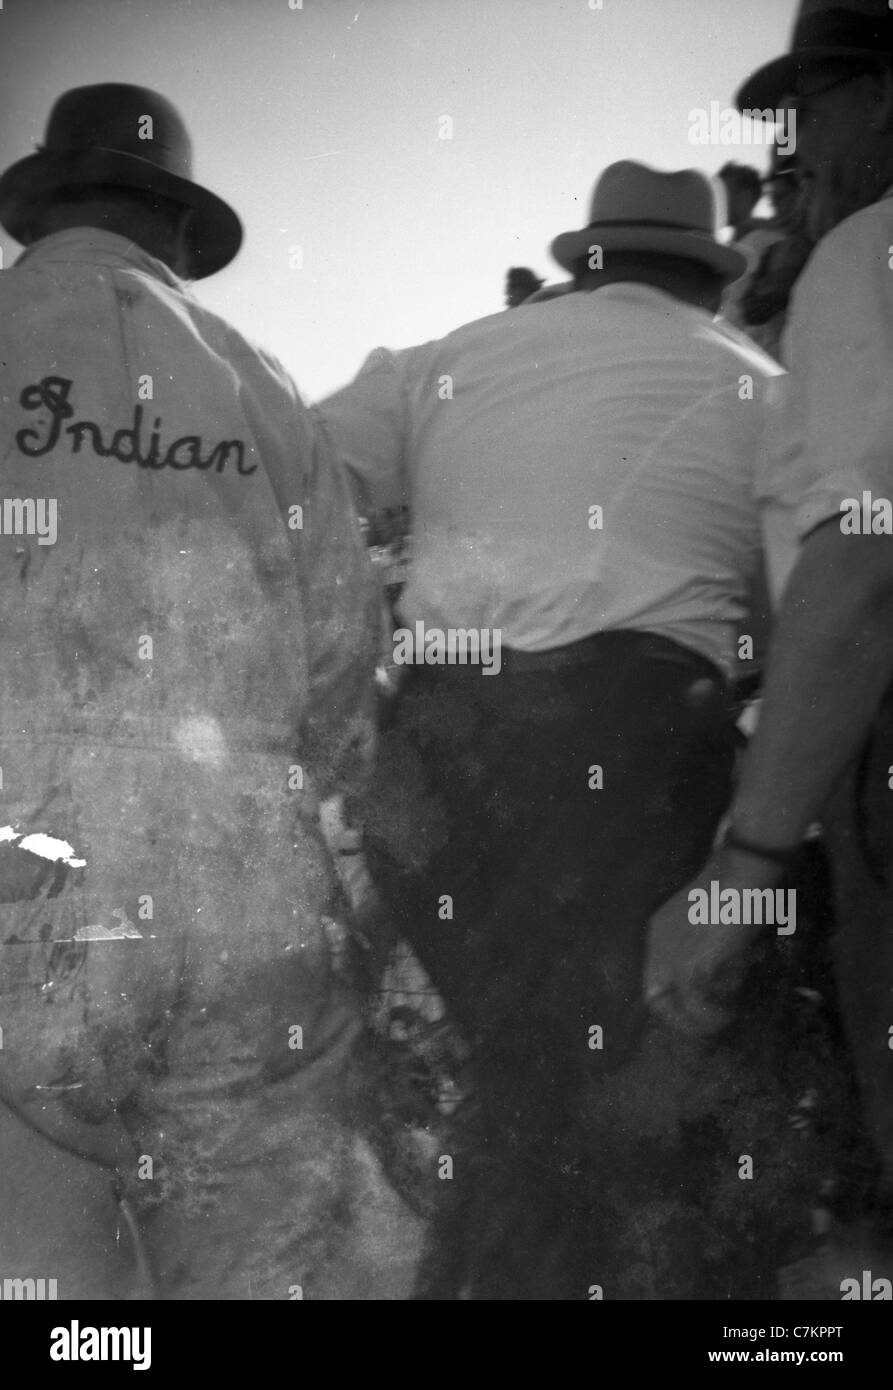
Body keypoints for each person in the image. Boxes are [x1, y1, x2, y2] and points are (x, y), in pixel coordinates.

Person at [318, 161, 784, 1298]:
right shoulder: (760, 384)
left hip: (428, 759)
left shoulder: (448, 357)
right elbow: (805, 611)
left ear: (585, 261)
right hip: (618, 765)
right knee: (604, 1102)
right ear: (705, 271)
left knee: (529, 1080)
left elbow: (292, 467)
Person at [0, 83, 420, 1299]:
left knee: (41, 1264)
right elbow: (345, 647)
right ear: (176, 229)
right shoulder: (258, 380)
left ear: (38, 210)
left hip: (22, 842)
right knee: (254, 1251)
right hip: (235, 857)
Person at [648, 0, 893, 1290]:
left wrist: (739, 874)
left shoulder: (868, 253)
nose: (798, 146)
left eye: (811, 103)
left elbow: (863, 573)